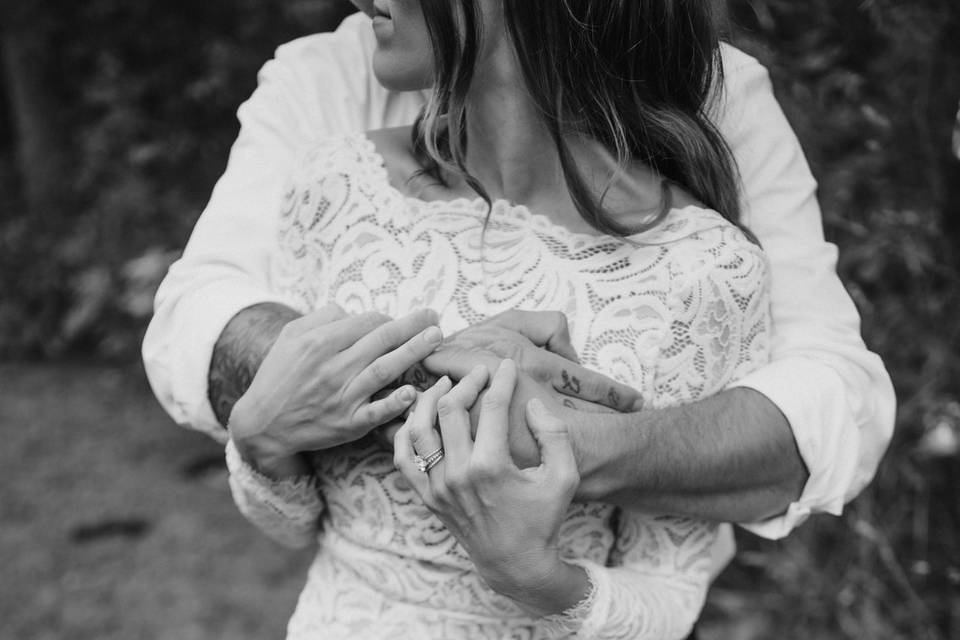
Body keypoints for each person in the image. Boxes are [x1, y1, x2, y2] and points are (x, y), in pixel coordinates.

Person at [141, 0, 895, 636]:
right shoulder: (336, 182)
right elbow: (297, 518)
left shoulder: (702, 265)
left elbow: (675, 581)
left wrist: (541, 581)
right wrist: (261, 438)